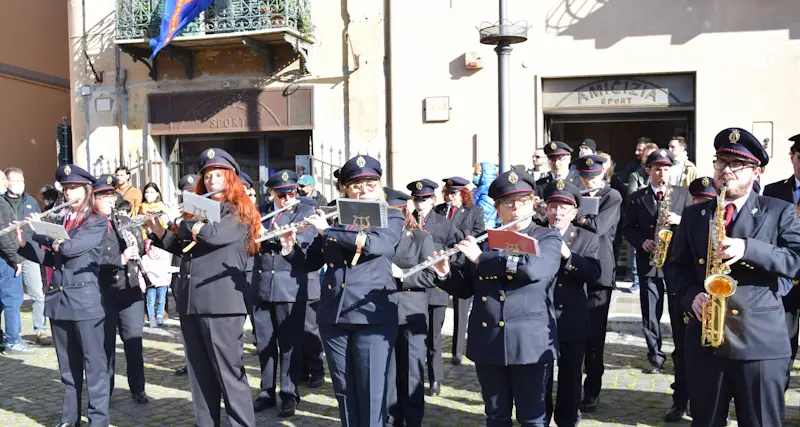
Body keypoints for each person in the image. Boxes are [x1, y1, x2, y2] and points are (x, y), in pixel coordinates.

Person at [664, 128, 800, 427]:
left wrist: (749, 249)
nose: (726, 172)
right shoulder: (695, 216)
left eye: (735, 165)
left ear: (756, 171)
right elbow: (675, 268)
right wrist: (691, 297)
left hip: (759, 343)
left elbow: (797, 261)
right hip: (706, 342)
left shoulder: (779, 211)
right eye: (720, 162)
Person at [432, 169, 562, 427]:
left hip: (529, 344)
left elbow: (534, 268)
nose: (515, 208)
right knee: (496, 416)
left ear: (532, 202)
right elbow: (468, 288)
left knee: (532, 418)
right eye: (508, 203)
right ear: (497, 208)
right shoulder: (488, 241)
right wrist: (445, 274)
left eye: (522, 201)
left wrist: (482, 258)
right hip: (489, 341)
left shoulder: (546, 237)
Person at [146, 148, 260, 427]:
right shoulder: (196, 211)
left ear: (230, 178)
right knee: (199, 375)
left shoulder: (238, 211)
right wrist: (161, 231)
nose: (212, 181)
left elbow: (214, 235)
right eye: (208, 176)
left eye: (218, 175)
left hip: (222, 304)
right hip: (191, 300)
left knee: (229, 375)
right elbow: (185, 249)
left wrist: (183, 221)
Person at [303, 154, 404, 427]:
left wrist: (328, 231)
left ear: (379, 186)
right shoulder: (334, 219)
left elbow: (376, 246)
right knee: (345, 392)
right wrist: (291, 244)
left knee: (372, 392)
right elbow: (311, 261)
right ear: (345, 189)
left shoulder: (392, 216)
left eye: (370, 184)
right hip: (334, 314)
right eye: (356, 185)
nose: (363, 190)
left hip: (372, 315)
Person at [16, 164, 110, 426]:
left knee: (95, 368)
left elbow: (70, 248)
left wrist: (40, 230)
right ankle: (69, 419)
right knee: (68, 370)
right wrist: (25, 242)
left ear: (86, 190)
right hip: (59, 301)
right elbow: (51, 258)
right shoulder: (62, 220)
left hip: (85, 302)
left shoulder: (97, 221)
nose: (68, 194)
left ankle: (98, 421)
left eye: (73, 188)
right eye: (66, 189)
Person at [622, 149, 691, 385]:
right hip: (649, 262)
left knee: (677, 310)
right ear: (648, 170)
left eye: (666, 168)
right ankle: (655, 355)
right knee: (651, 312)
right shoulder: (637, 197)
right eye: (657, 168)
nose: (662, 173)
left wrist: (681, 221)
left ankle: (680, 353)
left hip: (676, 263)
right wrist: (642, 241)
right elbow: (628, 227)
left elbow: (695, 225)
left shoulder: (682, 194)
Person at [251, 169, 317, 417]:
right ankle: (266, 392)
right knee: (264, 345)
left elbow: (308, 248)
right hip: (262, 287)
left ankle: (289, 394)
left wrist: (288, 240)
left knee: (290, 345)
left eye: (291, 192)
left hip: (290, 289)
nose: (287, 198)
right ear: (272, 193)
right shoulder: (260, 213)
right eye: (281, 194)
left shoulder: (305, 213)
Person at [541, 180, 601, 427]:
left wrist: (569, 255)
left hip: (572, 316)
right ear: (546, 209)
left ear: (575, 212)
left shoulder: (586, 238)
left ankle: (567, 420)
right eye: (553, 206)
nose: (558, 212)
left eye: (564, 207)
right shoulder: (535, 234)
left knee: (570, 377)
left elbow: (594, 273)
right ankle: (540, 418)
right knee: (540, 376)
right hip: (539, 315)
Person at [570, 155, 623, 414]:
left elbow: (598, 227)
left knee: (594, 337)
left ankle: (592, 391)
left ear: (603, 173)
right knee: (572, 334)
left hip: (599, 272)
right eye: (584, 175)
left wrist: (573, 213)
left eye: (592, 175)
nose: (588, 180)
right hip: (573, 267)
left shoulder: (612, 196)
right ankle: (571, 388)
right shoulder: (574, 195)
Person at [94, 174, 149, 405]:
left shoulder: (124, 222)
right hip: (104, 291)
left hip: (130, 289)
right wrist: (121, 258)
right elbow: (94, 258)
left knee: (134, 341)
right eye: (104, 196)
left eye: (111, 196)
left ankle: (138, 388)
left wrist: (141, 248)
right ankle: (105, 391)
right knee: (105, 345)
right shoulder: (91, 225)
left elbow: (139, 249)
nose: (109, 200)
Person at [384, 187, 437, 427]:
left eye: (396, 210)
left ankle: (413, 420)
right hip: (382, 313)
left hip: (410, 314)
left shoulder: (421, 238)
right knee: (387, 372)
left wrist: (402, 274)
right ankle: (390, 419)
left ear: (405, 210)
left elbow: (429, 277)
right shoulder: (378, 238)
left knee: (411, 372)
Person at [406, 178, 462, 397]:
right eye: (417, 200)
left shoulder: (445, 223)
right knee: (415, 336)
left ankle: (435, 378)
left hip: (435, 289)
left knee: (434, 338)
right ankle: (416, 378)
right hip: (412, 287)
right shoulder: (406, 221)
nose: (420, 204)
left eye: (425, 199)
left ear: (433, 199)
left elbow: (455, 251)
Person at [434, 176, 485, 366]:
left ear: (463, 194)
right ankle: (435, 348)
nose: (450, 197)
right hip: (443, 262)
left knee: (461, 312)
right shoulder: (439, 210)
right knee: (438, 310)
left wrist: (454, 229)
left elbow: (479, 236)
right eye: (447, 193)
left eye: (454, 194)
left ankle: (457, 351)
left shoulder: (474, 211)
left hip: (462, 263)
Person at [762, 134, 800, 390]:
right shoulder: (774, 191)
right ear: (792, 158)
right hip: (788, 281)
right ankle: (776, 398)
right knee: (784, 344)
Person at [3, 167, 49, 345]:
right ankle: (11, 334)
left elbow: (39, 226)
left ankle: (40, 330)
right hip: (7, 254)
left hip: (29, 251)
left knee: (38, 293)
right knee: (11, 297)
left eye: (22, 181)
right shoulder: (1, 201)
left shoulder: (30, 200)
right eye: (16, 181)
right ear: (7, 182)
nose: (20, 185)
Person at [0, 170, 32, 355]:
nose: (7, 183)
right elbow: (5, 235)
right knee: (13, 299)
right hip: (4, 258)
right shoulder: (1, 203)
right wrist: (16, 259)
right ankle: (13, 340)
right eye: (3, 179)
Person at [171, 173, 198, 377]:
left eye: (192, 192)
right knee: (186, 322)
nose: (188, 196)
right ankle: (190, 361)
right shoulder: (180, 215)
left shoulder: (204, 213)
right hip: (181, 271)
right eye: (185, 193)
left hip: (200, 275)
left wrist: (176, 221)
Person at [141, 239, 173, 328]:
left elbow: (168, 269)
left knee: (161, 300)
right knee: (150, 301)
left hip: (162, 283)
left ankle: (159, 316)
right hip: (151, 284)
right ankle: (151, 318)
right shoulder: (145, 258)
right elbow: (143, 271)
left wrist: (167, 280)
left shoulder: (165, 257)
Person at [472, 161, 499, 229]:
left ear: (485, 175)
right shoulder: (479, 190)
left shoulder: (488, 191)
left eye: (476, 174)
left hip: (484, 228)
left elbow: (483, 213)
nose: (474, 176)